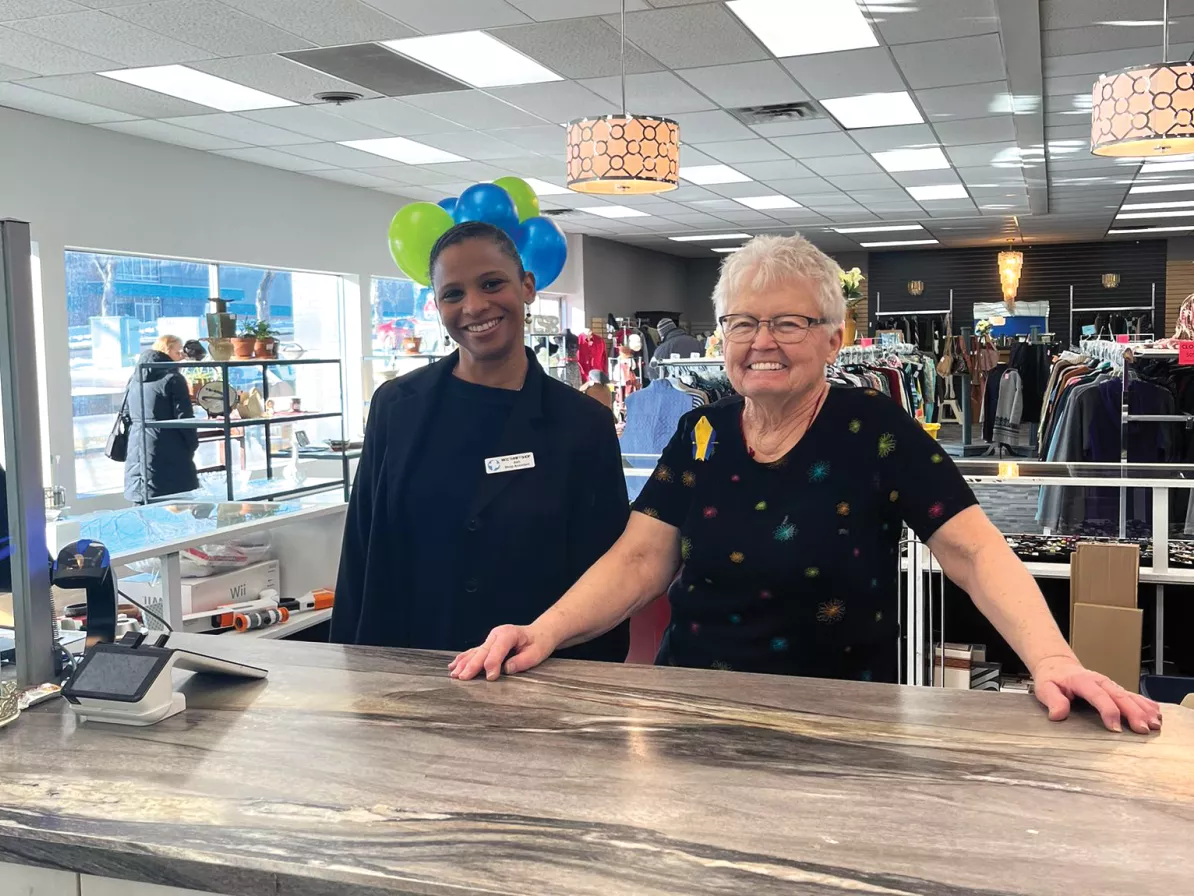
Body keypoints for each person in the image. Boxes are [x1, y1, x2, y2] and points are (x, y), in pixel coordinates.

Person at [450, 233, 1163, 736]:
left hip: (839, 722)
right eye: (742, 323)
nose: (763, 341)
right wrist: (541, 631)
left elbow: (974, 551)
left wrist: (1051, 660)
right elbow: (640, 559)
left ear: (832, 337)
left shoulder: (876, 430)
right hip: (694, 712)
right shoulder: (703, 432)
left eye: (789, 322)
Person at [331, 221, 629, 663]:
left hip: (536, 675)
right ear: (437, 305)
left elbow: (604, 574)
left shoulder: (583, 424)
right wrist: (346, 669)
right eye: (453, 293)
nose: (474, 305)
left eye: (492, 283)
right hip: (408, 670)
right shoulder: (397, 407)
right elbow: (362, 551)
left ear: (527, 286)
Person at [123, 335, 198, 504]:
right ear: (167, 351)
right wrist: (191, 445)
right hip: (170, 451)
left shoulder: (134, 379)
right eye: (179, 352)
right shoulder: (173, 379)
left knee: (143, 511)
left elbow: (127, 414)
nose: (181, 357)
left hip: (137, 447)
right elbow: (185, 419)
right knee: (177, 513)